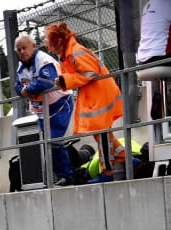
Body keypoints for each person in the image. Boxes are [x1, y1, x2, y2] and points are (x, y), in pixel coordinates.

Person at [45, 23, 125, 182]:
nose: (53, 50)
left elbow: (91, 73)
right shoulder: (69, 53)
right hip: (98, 94)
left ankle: (108, 173)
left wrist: (66, 80)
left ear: (61, 40)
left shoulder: (74, 52)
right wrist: (64, 80)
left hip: (100, 94)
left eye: (54, 45)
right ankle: (128, 161)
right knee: (102, 134)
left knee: (101, 134)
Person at [12, 34, 74, 186]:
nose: (22, 52)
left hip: (59, 104)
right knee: (40, 143)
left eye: (24, 48)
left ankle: (66, 176)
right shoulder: (21, 66)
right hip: (40, 109)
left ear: (33, 46)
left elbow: (46, 81)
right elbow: (17, 85)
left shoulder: (43, 60)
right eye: (19, 49)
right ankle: (50, 177)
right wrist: (24, 91)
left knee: (53, 140)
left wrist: (28, 90)